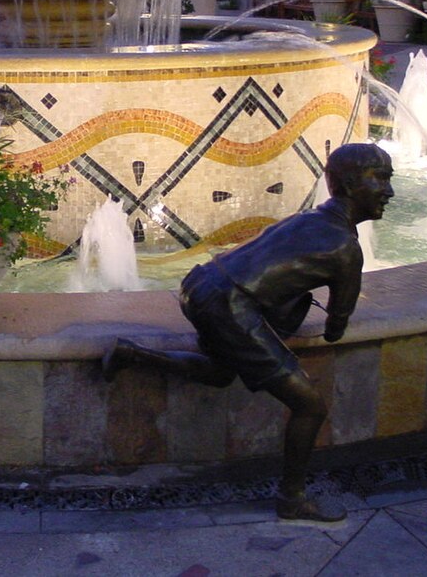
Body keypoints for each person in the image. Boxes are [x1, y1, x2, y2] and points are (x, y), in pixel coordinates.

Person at [102, 143, 395, 523]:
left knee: (222, 372)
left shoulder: (306, 219)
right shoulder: (345, 248)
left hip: (200, 284)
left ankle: (131, 355)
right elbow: (337, 328)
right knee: (309, 406)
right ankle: (292, 499)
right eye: (383, 180)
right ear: (353, 185)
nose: (389, 192)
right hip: (229, 305)